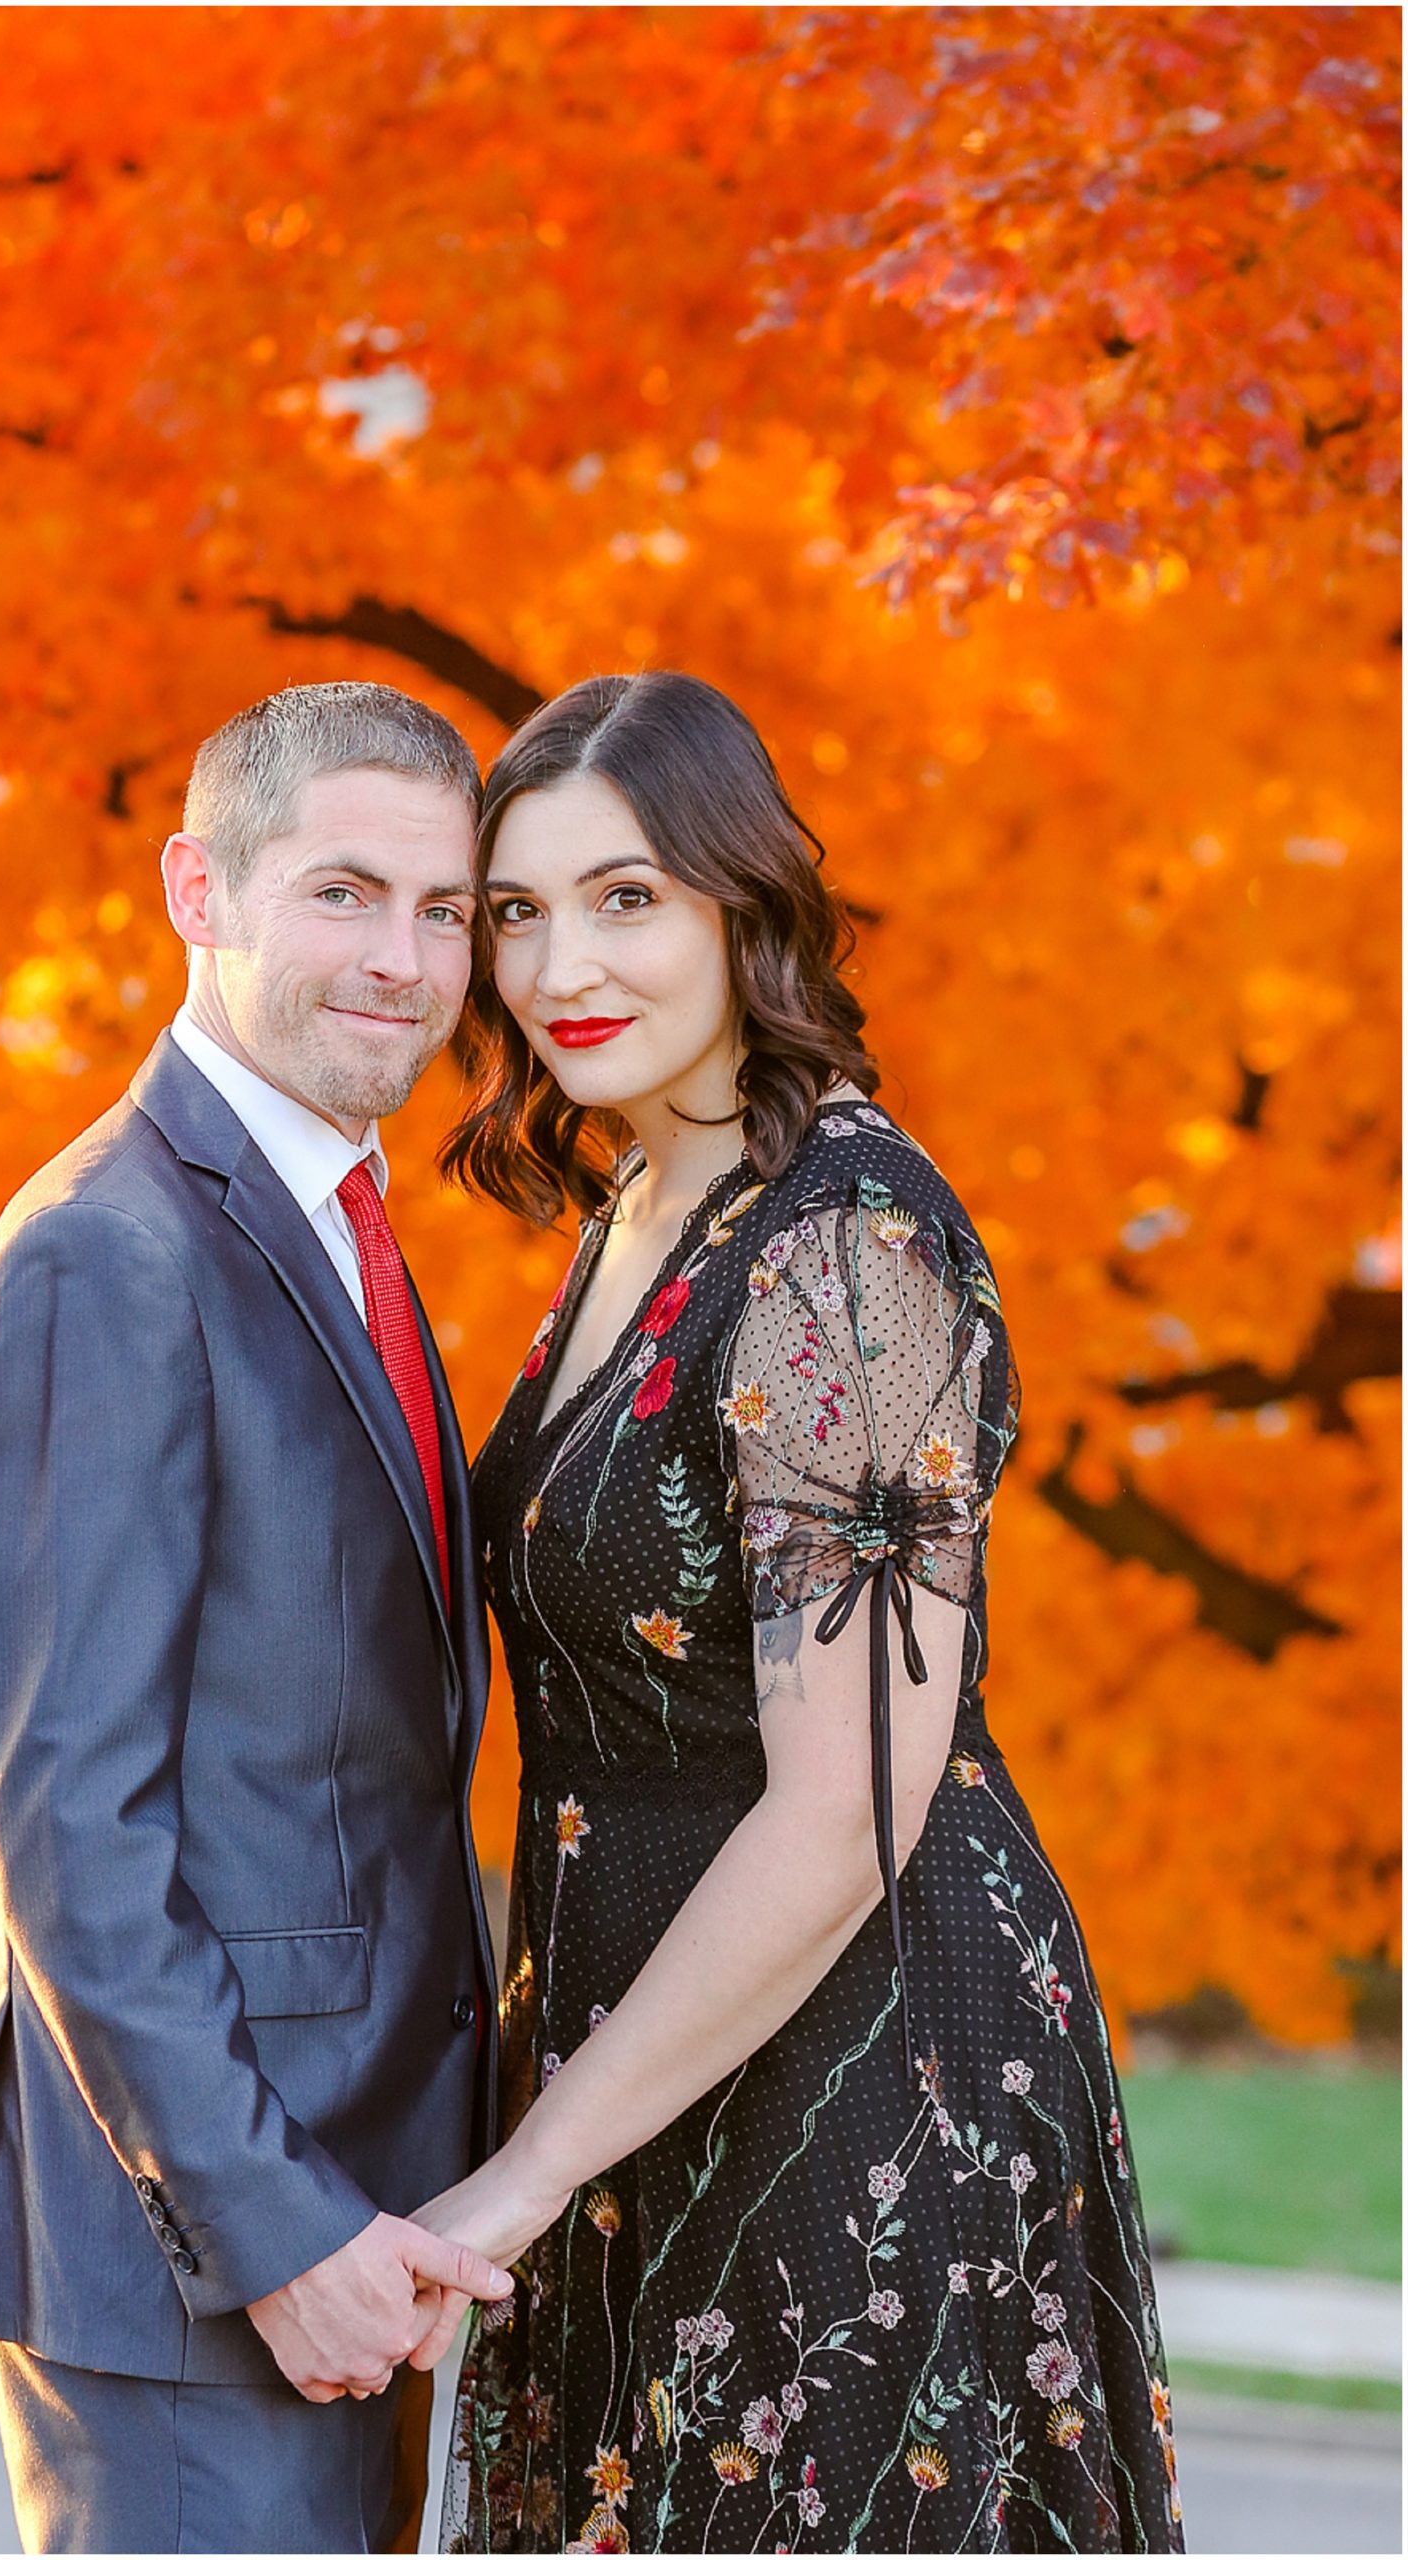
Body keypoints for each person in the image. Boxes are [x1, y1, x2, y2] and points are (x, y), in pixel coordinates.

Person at [421, 673, 1183, 2554]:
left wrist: (513, 2183)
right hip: (645, 2077)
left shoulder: (843, 1240)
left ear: (741, 905)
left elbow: (846, 1808)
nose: (555, 964)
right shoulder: (639, 1204)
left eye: (626, 897)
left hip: (858, 2076)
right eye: (514, 910)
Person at [0, 681, 514, 2556]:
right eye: (343, 894)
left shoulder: (332, 1223)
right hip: (202, 2255)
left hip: (349, 2203)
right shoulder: (110, 1251)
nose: (404, 962)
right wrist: (277, 2234)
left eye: (444, 911)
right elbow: (66, 1825)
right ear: (199, 888)